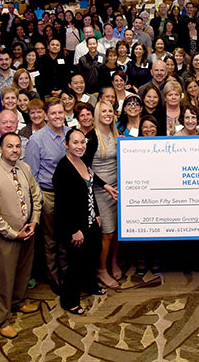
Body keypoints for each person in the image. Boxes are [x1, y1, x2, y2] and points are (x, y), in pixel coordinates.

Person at [0, 133, 42, 340]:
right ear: (0, 149)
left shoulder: (25, 168)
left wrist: (34, 221)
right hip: (6, 236)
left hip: (28, 230)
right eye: (9, 146)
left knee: (24, 271)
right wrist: (14, 234)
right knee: (4, 279)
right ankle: (1, 319)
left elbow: (36, 195)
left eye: (17, 146)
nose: (14, 150)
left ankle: (19, 301)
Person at [53, 128, 106, 315]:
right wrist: (74, 230)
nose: (80, 146)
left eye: (82, 142)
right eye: (75, 142)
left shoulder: (82, 161)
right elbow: (63, 205)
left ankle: (90, 285)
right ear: (66, 145)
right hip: (75, 225)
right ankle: (70, 300)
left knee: (92, 255)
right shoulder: (63, 169)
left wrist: (97, 213)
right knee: (75, 264)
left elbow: (90, 189)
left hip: (91, 219)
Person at [25, 97, 69, 294]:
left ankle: (67, 274)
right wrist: (38, 201)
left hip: (68, 194)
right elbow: (32, 175)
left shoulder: (70, 134)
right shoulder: (36, 140)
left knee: (67, 236)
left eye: (61, 113)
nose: (58, 116)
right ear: (46, 116)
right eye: (53, 113)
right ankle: (54, 277)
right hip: (48, 194)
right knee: (51, 239)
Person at [84, 100, 121, 288]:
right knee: (107, 233)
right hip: (100, 190)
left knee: (116, 231)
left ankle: (113, 261)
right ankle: (101, 269)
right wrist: (104, 185)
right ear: (97, 114)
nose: (107, 114)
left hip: (117, 189)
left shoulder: (116, 134)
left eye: (110, 111)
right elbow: (85, 168)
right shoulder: (91, 137)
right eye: (103, 111)